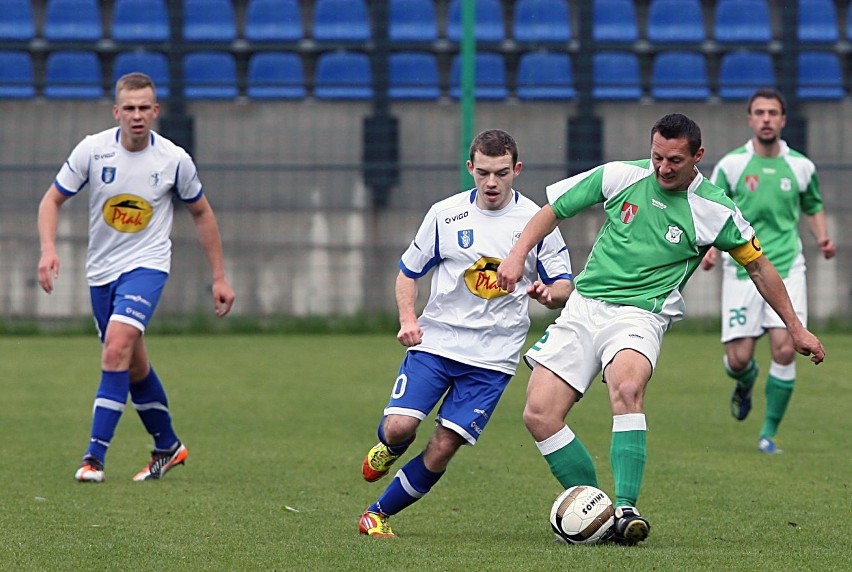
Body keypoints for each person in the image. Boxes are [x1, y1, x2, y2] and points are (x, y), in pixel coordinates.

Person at [496, 113, 825, 545]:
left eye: (674, 160)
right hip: (583, 308)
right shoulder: (620, 175)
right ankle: (598, 511)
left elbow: (760, 268)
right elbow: (554, 210)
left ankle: (628, 507)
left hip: (640, 315)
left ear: (697, 157)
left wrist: (795, 327)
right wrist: (518, 254)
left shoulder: (714, 209)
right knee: (538, 414)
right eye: (657, 157)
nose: (663, 168)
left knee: (628, 388)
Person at [358, 129, 574, 537]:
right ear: (470, 168)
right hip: (437, 343)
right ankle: (388, 447)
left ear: (517, 170)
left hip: (493, 360)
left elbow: (565, 284)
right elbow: (408, 273)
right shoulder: (445, 214)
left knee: (443, 446)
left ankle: (376, 514)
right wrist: (408, 319)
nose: (492, 183)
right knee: (400, 428)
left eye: (502, 173)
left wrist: (550, 294)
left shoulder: (537, 221)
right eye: (484, 172)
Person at [37, 72, 236, 483]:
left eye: (145, 107)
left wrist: (219, 276)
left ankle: (94, 458)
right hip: (101, 272)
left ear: (156, 111)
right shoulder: (93, 151)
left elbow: (202, 213)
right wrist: (48, 249)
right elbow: (52, 200)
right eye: (129, 108)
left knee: (115, 349)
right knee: (131, 364)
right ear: (116, 112)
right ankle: (168, 445)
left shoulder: (173, 159)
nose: (137, 115)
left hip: (147, 266)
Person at [701, 88, 835, 454]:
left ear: (783, 120)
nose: (766, 119)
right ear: (749, 119)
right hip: (742, 270)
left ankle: (767, 435)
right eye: (759, 112)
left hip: (787, 268)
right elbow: (714, 211)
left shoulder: (801, 166)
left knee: (786, 349)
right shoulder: (731, 166)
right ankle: (745, 381)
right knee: (738, 358)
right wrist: (712, 248)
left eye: (772, 113)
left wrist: (822, 237)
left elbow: (814, 205)